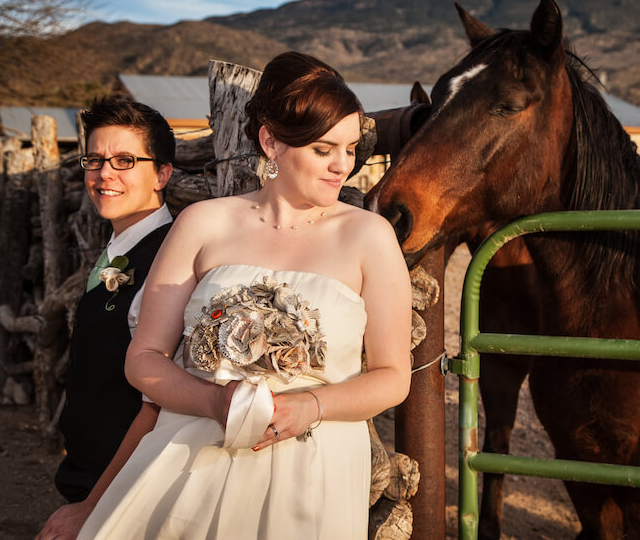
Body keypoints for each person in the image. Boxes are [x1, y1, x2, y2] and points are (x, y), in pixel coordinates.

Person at [73, 51, 412, 540]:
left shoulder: (370, 237)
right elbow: (143, 359)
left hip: (313, 471)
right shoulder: (203, 223)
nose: (344, 165)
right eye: (323, 150)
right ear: (271, 141)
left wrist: (311, 406)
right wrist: (213, 401)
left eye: (351, 148)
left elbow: (392, 376)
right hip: (191, 456)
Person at [36, 98, 175, 539]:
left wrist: (94, 505)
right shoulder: (120, 245)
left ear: (163, 174)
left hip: (128, 488)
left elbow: (162, 400)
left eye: (125, 160)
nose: (103, 173)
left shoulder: (168, 261)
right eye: (94, 159)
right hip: (89, 471)